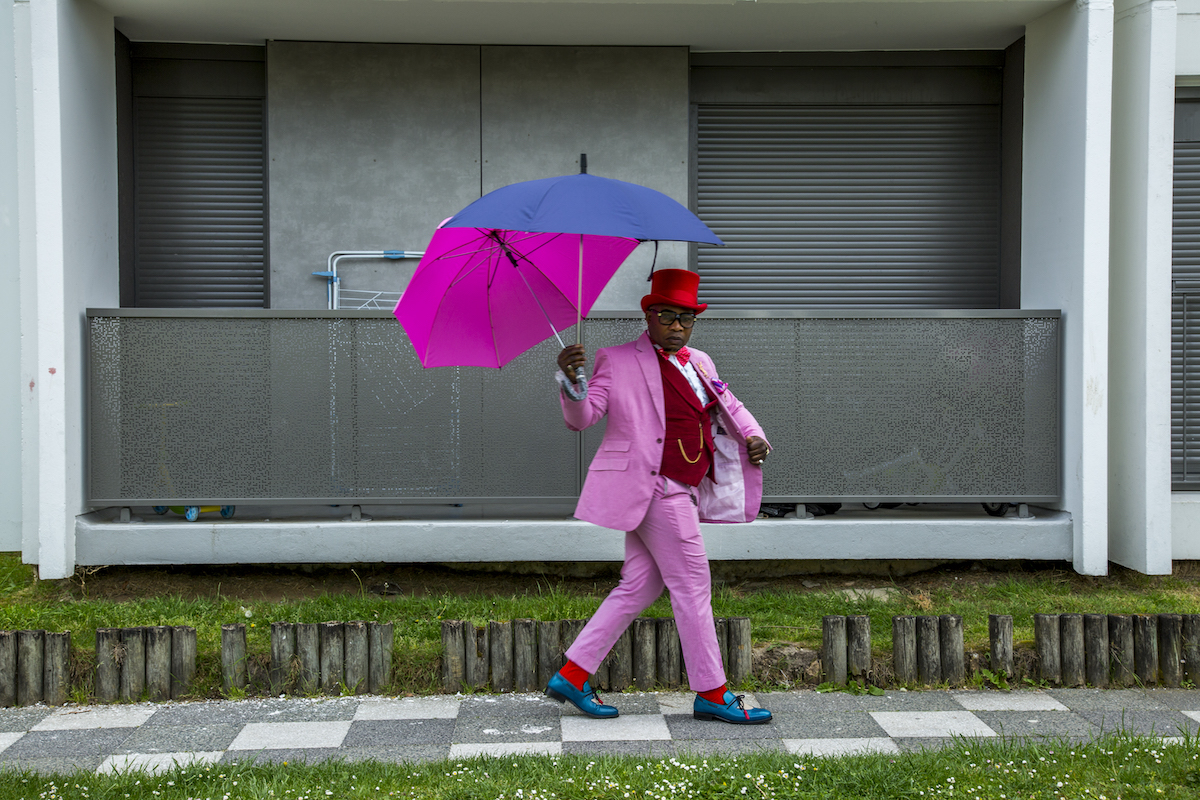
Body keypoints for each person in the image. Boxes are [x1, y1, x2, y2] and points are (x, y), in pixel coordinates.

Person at [545, 268, 773, 725]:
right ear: (648, 316)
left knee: (639, 586)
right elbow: (583, 418)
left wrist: (754, 436)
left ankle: (572, 673)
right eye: (666, 316)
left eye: (685, 318)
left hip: (685, 485)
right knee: (693, 584)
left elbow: (732, 406)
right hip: (653, 487)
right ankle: (712, 691)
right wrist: (573, 383)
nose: (676, 326)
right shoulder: (617, 359)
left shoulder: (700, 361)